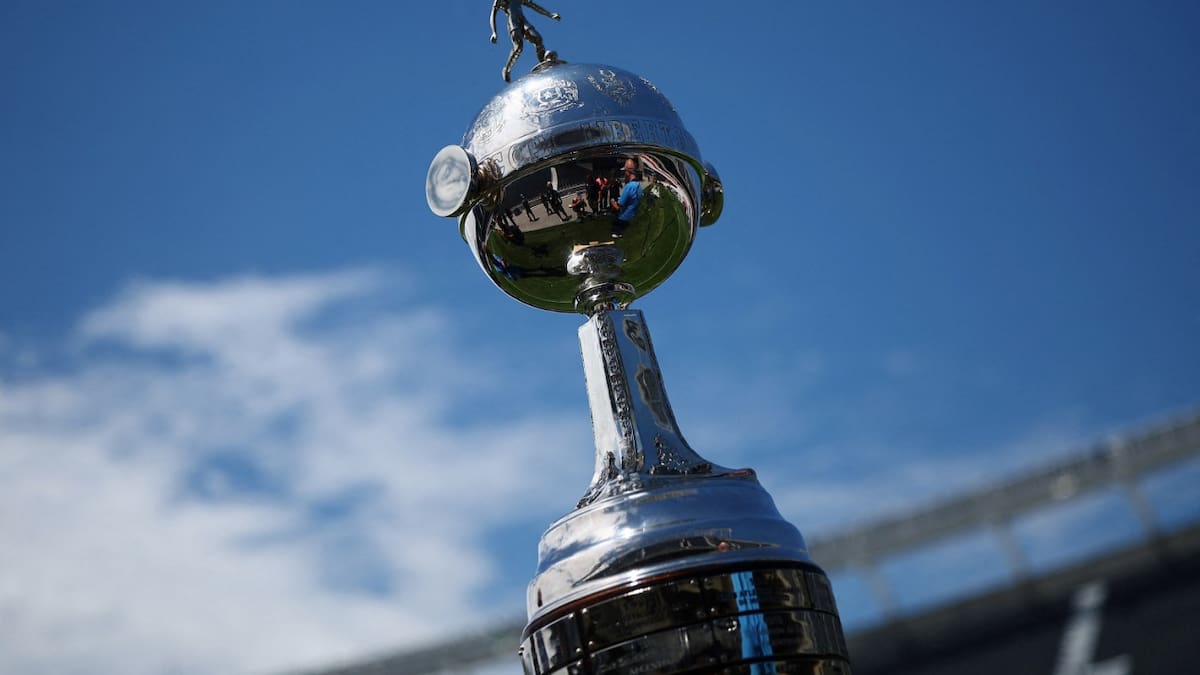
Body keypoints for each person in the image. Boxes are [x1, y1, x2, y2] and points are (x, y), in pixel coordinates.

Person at [489, 0, 561, 83]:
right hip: (513, 23)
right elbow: (493, 15)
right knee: (518, 47)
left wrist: (550, 14)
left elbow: (534, 6)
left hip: (523, 22)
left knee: (538, 39)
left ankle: (544, 63)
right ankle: (507, 69)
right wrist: (494, 32)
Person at [610, 164, 643, 238]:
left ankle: (618, 234)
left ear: (628, 173)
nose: (624, 174)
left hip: (624, 218)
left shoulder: (629, 187)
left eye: (625, 172)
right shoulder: (638, 185)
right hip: (634, 215)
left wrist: (612, 201)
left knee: (614, 227)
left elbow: (618, 207)